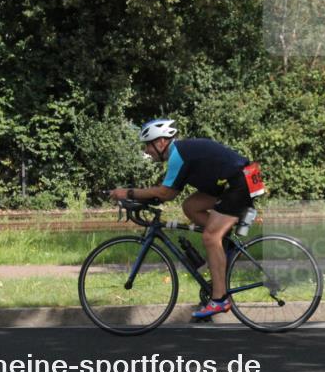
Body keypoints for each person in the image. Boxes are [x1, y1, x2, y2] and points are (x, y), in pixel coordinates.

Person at [110, 119, 257, 318]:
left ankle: (220, 299)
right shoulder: (179, 153)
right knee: (191, 206)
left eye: (148, 144)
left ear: (161, 142)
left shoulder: (177, 155)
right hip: (236, 180)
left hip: (240, 182)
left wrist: (128, 193)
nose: (147, 150)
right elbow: (170, 194)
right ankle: (225, 242)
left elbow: (164, 193)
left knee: (210, 237)